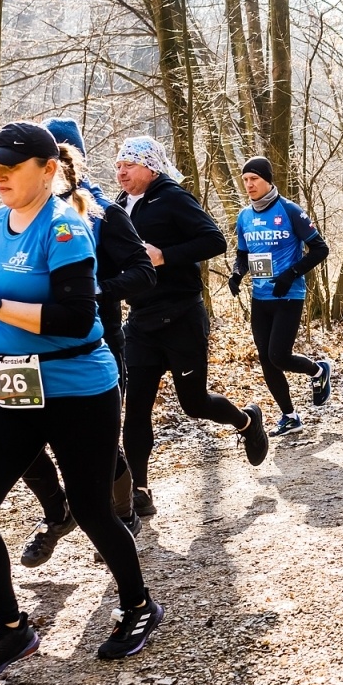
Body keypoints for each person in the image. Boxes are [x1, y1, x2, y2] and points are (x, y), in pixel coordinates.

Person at [0, 122, 162, 680]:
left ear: (48, 170)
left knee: (92, 509)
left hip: (76, 387)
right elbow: (17, 300)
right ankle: (12, 628)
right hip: (13, 383)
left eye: (10, 166)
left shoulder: (66, 227)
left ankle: (139, 606)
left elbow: (72, 318)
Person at [18, 132, 155, 568]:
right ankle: (57, 514)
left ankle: (122, 512)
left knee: (97, 443)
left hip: (95, 342)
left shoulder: (103, 214)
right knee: (22, 443)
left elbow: (142, 273)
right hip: (27, 350)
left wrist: (95, 292)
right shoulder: (12, 219)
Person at [117, 136, 269, 515]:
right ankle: (140, 490)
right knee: (135, 409)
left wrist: (165, 256)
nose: (121, 172)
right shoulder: (119, 206)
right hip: (140, 322)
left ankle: (247, 422)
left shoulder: (172, 197)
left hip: (181, 316)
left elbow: (213, 240)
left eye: (129, 165)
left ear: (150, 167)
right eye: (118, 166)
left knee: (194, 403)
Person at [228, 156, 332, 438]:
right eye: (245, 180)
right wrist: (237, 274)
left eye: (254, 179)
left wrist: (291, 274)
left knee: (279, 355)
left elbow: (320, 249)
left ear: (268, 180)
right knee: (266, 360)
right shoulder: (244, 216)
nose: (249, 185)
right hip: (260, 297)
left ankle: (317, 370)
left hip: (289, 294)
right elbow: (243, 254)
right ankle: (289, 416)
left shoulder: (289, 210)